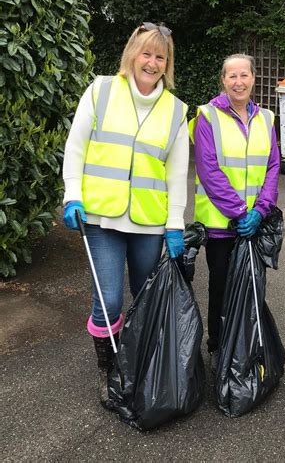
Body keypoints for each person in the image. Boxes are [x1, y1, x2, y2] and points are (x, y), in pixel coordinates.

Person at [62, 22, 189, 405]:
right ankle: (110, 369)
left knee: (145, 297)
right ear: (132, 53)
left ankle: (138, 356)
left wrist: (175, 224)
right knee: (109, 299)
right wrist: (72, 195)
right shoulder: (101, 90)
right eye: (146, 53)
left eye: (160, 57)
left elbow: (177, 174)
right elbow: (76, 147)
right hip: (100, 217)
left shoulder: (176, 110)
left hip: (149, 222)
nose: (151, 62)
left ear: (167, 64)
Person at [190, 53, 280, 373]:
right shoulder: (207, 117)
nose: (238, 82)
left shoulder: (266, 119)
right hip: (221, 225)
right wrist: (241, 211)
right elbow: (209, 169)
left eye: (244, 75)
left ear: (254, 78)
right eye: (232, 76)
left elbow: (272, 166)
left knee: (252, 285)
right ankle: (217, 346)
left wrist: (261, 210)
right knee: (221, 285)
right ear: (223, 81)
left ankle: (246, 344)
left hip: (255, 223)